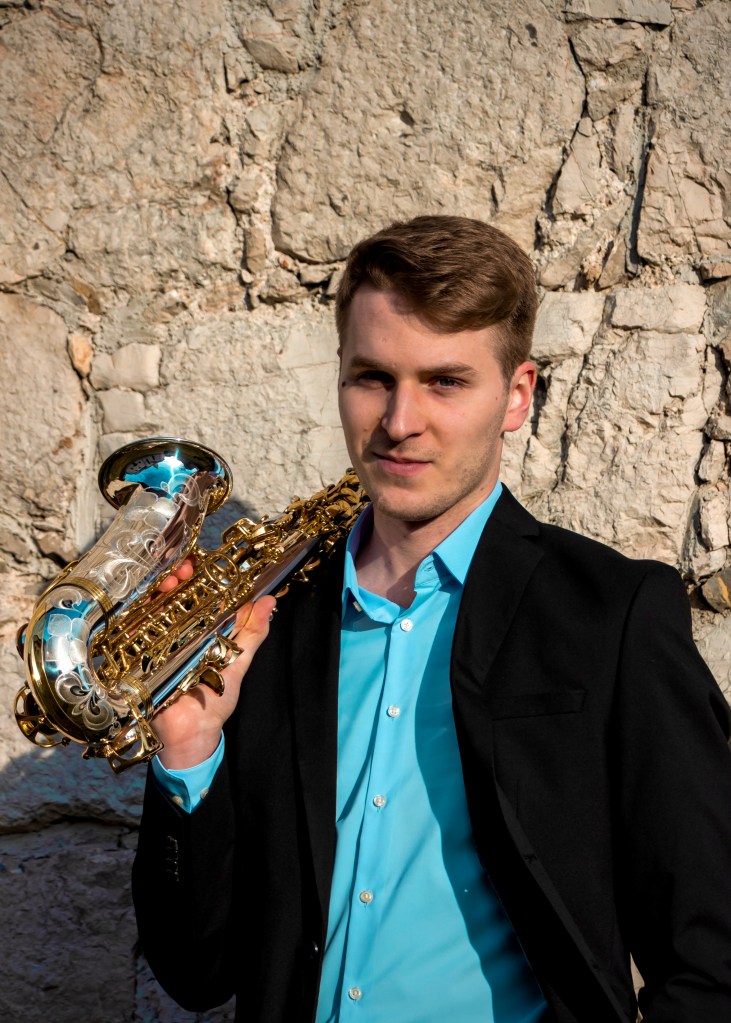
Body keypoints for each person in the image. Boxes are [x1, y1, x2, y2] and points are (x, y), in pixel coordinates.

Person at [132, 216, 731, 1023]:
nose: (399, 420)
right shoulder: (265, 623)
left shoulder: (613, 615)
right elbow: (198, 970)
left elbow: (711, 958)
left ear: (516, 396)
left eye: (445, 381)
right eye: (372, 377)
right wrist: (188, 752)